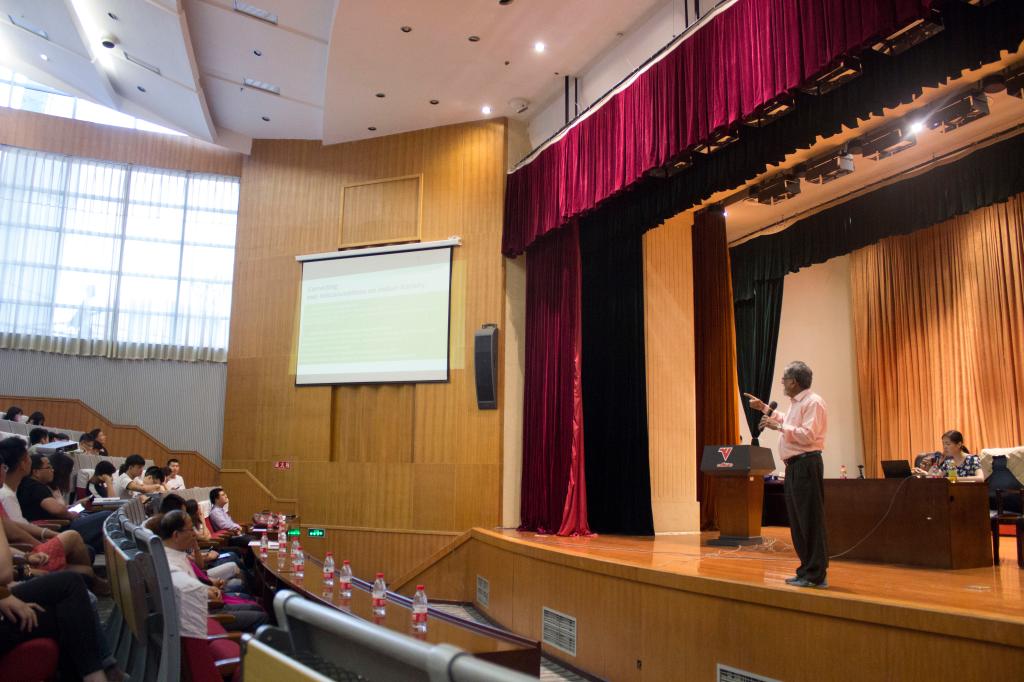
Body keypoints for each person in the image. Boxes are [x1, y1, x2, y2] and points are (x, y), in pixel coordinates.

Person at [745, 360, 829, 589]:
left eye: (784, 379)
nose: (782, 382)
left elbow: (808, 435)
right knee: (798, 521)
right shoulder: (797, 403)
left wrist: (779, 427)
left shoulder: (813, 402)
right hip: (794, 466)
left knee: (809, 520)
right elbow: (786, 420)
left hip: (806, 464)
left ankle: (816, 574)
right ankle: (806, 570)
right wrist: (764, 408)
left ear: (793, 382)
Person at [0, 523, 117, 682]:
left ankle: (100, 671)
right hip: (9, 584)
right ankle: (101, 671)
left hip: (13, 579)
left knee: (72, 604)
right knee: (71, 589)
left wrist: (26, 559)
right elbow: (4, 574)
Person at [153, 510, 267, 633]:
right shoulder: (171, 564)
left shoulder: (175, 553)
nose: (194, 534)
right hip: (205, 614)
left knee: (257, 608)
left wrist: (209, 588)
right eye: (190, 530)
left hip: (206, 605)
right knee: (262, 617)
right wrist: (209, 590)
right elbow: (197, 595)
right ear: (176, 535)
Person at [17, 454, 111, 554]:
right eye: (48, 467)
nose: (52, 470)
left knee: (93, 546)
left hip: (59, 525)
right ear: (36, 472)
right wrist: (71, 515)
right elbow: (57, 510)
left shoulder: (29, 485)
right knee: (107, 514)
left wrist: (73, 507)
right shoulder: (35, 487)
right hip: (61, 528)